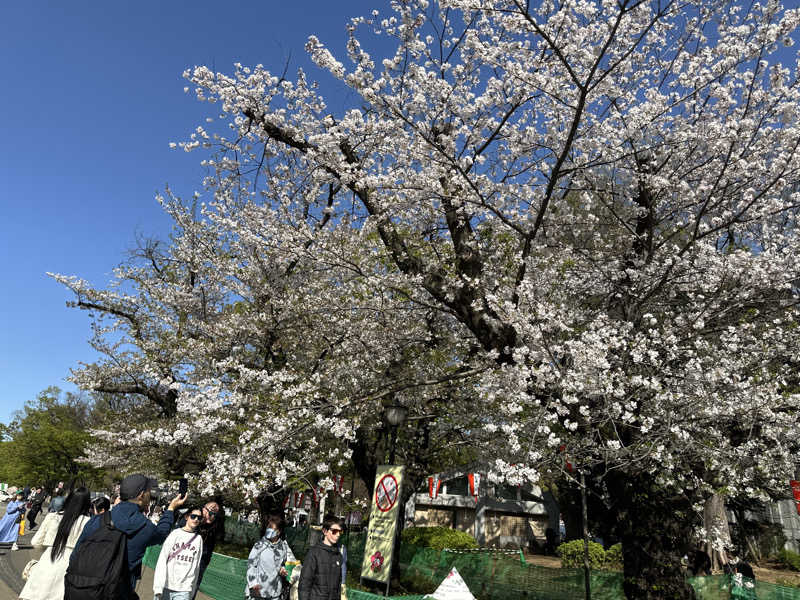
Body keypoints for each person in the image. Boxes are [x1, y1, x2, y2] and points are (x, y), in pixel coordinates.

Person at [110, 474, 186, 596]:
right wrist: (171, 509)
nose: (150, 495)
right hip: (122, 587)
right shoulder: (143, 526)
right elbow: (162, 533)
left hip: (91, 585)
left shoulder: (99, 519)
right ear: (141, 495)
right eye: (148, 492)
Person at [20, 486, 91, 600]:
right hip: (71, 566)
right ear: (87, 503)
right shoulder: (88, 522)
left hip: (49, 559)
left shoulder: (53, 517)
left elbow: (35, 542)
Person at [153, 506, 205, 600]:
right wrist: (158, 587)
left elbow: (196, 566)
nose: (196, 519)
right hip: (166, 585)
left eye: (199, 518)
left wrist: (192, 591)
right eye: (193, 516)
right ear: (187, 517)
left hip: (184, 589)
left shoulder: (198, 539)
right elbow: (162, 559)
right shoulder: (175, 534)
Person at [246, 514, 295, 599]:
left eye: (272, 528)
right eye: (268, 527)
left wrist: (282, 570)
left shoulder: (283, 547)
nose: (269, 530)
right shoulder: (259, 545)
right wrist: (253, 583)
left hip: (274, 593)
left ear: (278, 532)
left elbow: (283, 564)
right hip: (258, 592)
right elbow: (251, 565)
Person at [298, 514, 344, 600]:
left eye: (340, 532)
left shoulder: (338, 555)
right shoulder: (313, 553)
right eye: (334, 531)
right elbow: (304, 585)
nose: (338, 535)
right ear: (325, 531)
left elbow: (338, 588)